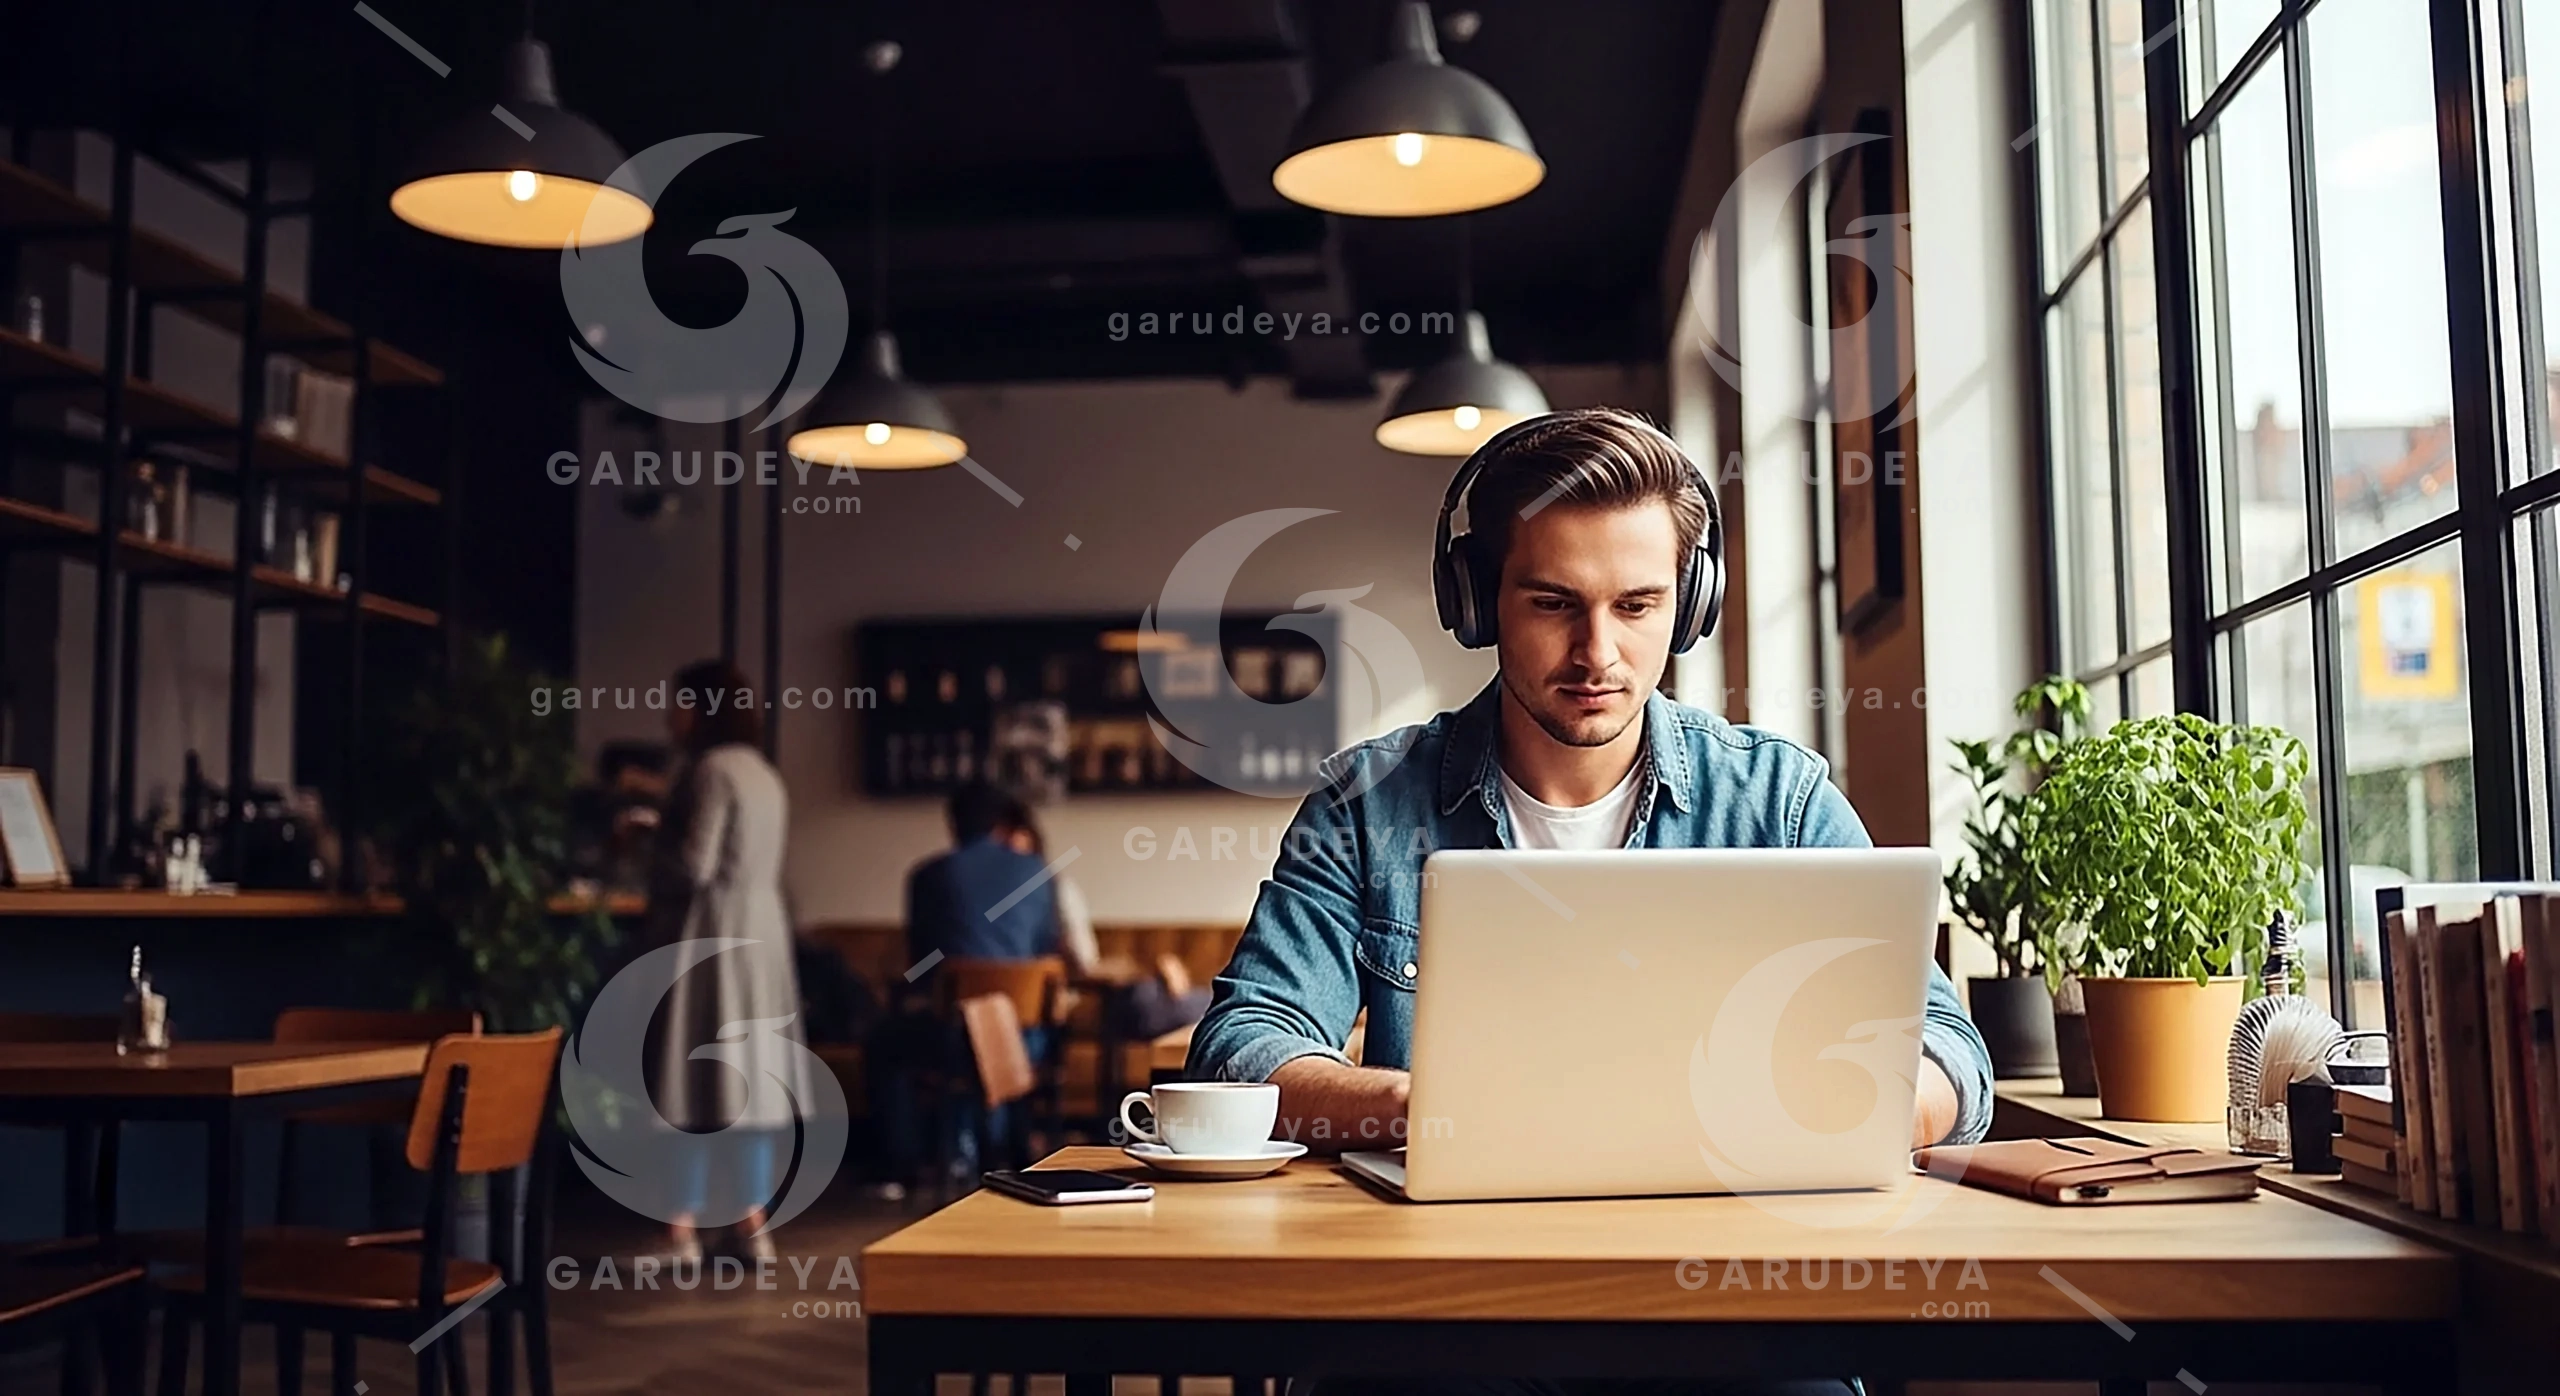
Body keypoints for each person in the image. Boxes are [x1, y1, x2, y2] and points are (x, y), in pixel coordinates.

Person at [1186, 409, 1993, 1396]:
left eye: (1638, 605)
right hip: (1442, 1320)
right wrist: (1431, 1112)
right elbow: (1246, 1043)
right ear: (1477, 602)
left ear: (1690, 604)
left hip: (1737, 1322)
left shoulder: (1778, 798)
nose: (1597, 652)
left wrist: (1856, 1109)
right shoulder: (1366, 803)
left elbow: (1948, 1051)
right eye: (1553, 603)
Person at [642, 659, 805, 1262]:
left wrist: (645, 835)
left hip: (711, 934)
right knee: (749, 1084)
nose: (669, 715)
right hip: (763, 936)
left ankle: (679, 1228)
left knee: (690, 1077)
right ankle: (750, 1221)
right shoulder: (764, 773)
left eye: (679, 702)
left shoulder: (709, 771)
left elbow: (695, 865)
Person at [874, 782, 1062, 1190]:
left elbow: (922, 964)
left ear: (954, 824)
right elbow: (1048, 948)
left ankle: (900, 1169)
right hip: (1025, 1040)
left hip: (952, 1040)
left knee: (883, 1041)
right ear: (1002, 823)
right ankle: (1015, 1149)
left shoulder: (928, 876)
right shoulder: (1037, 873)